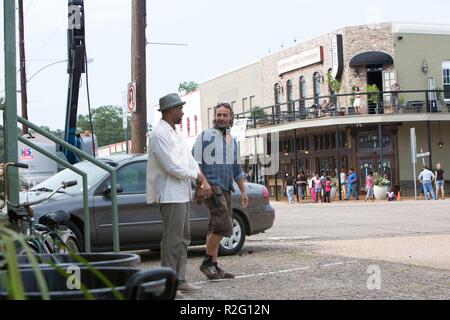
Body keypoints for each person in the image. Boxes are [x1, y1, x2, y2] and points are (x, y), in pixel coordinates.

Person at [147, 93, 211, 296]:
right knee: (172, 241)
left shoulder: (174, 133)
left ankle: (179, 280)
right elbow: (171, 166)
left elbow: (189, 160)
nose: (182, 112)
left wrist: (201, 180)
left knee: (183, 239)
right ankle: (169, 283)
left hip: (182, 193)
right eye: (180, 108)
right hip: (170, 194)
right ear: (170, 110)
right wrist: (198, 178)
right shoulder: (159, 134)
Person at [193, 102, 249, 280]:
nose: (221, 118)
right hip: (212, 186)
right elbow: (194, 162)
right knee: (223, 223)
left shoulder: (232, 139)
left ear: (231, 118)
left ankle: (214, 267)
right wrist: (202, 184)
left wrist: (243, 191)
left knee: (215, 226)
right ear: (214, 116)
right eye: (219, 114)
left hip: (226, 187)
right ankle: (208, 262)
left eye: (225, 115)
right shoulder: (205, 136)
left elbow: (236, 169)